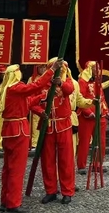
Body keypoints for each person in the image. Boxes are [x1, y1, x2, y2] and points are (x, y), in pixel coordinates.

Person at [0, 61, 58, 213]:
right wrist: (51, 71)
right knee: (16, 170)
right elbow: (36, 85)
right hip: (18, 131)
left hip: (8, 131)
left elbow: (27, 102)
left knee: (8, 168)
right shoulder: (16, 87)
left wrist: (43, 95)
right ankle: (13, 205)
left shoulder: (9, 89)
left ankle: (5, 201)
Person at [29, 57, 76, 205]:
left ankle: (67, 191)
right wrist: (40, 112)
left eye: (62, 69)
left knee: (66, 160)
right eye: (57, 68)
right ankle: (51, 191)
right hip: (47, 126)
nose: (60, 71)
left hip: (64, 125)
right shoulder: (41, 84)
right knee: (47, 160)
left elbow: (70, 89)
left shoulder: (67, 81)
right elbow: (31, 102)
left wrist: (60, 83)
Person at [76, 60, 109, 174]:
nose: (97, 71)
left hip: (100, 115)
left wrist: (106, 111)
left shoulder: (98, 81)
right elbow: (80, 98)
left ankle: (97, 164)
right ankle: (81, 165)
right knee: (85, 141)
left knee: (101, 141)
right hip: (87, 116)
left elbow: (102, 97)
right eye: (94, 68)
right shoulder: (82, 81)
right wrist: (87, 112)